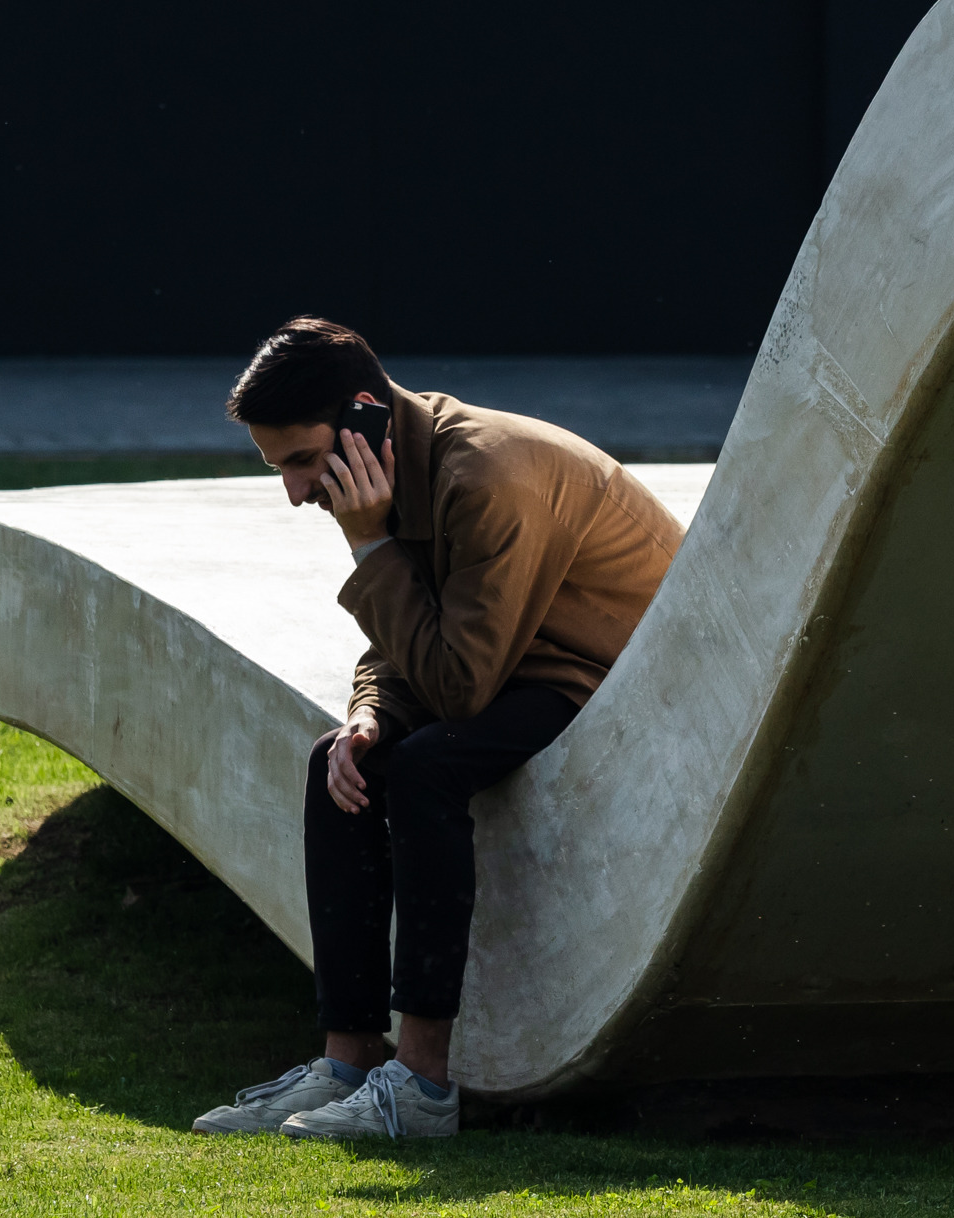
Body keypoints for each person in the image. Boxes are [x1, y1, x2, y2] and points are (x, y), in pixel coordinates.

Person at [189, 317, 684, 1140]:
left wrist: (369, 543)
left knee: (425, 767)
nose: (296, 492)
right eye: (280, 469)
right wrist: (369, 716)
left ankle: (421, 1085)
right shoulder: (398, 465)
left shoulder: (485, 476)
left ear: (363, 414)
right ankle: (347, 1063)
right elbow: (414, 640)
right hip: (521, 663)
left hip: (617, 678)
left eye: (303, 461)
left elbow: (457, 684)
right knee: (340, 762)